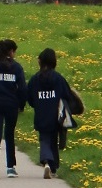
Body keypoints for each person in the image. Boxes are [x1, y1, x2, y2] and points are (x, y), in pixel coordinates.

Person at [27, 48, 72, 179]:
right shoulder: (59, 79)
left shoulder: (35, 79)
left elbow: (29, 97)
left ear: (40, 62)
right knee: (53, 140)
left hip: (41, 114)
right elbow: (67, 95)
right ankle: (52, 166)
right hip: (56, 115)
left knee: (44, 139)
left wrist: (36, 104)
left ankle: (46, 161)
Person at [0, 39, 27, 179]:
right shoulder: (16, 68)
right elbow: (22, 89)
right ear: (11, 51)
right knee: (9, 135)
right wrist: (21, 105)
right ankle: (10, 167)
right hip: (11, 104)